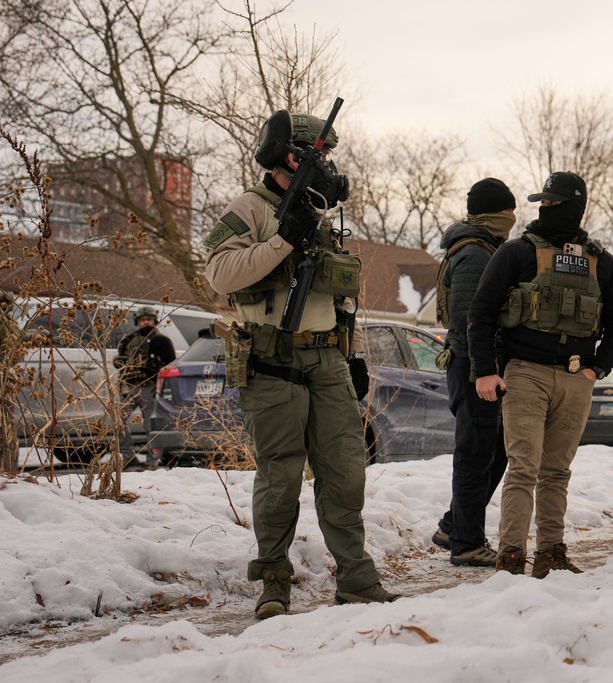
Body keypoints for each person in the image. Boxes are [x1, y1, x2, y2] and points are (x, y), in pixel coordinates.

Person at [205, 112, 399, 619]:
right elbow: (220, 275)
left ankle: (356, 580)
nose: (327, 165)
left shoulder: (320, 214)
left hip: (328, 360)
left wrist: (351, 355)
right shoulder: (251, 207)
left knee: (346, 471)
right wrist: (282, 240)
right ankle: (274, 582)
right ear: (292, 156)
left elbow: (339, 296)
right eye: (320, 154)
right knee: (281, 476)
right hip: (272, 360)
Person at [467, 171, 613, 578]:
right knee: (523, 467)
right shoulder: (517, 252)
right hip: (525, 374)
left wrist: (598, 368)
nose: (546, 208)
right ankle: (511, 557)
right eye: (543, 202)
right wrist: (485, 370)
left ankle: (551, 554)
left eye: (555, 203)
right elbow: (481, 313)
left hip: (576, 378)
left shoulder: (600, 261)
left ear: (575, 206)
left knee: (557, 471)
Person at [431, 178, 514, 567]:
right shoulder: (477, 253)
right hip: (474, 367)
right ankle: (466, 543)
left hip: (476, 365)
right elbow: (470, 317)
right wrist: (485, 369)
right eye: (507, 211)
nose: (512, 218)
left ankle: (453, 526)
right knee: (476, 454)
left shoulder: (479, 247)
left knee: (493, 452)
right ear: (491, 214)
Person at [113, 305, 175, 468]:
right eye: (142, 320)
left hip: (150, 387)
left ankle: (152, 462)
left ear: (154, 321)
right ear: (137, 321)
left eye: (149, 319)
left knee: (150, 425)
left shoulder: (162, 341)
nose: (146, 322)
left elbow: (170, 364)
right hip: (128, 387)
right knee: (117, 420)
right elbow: (120, 360)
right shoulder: (129, 340)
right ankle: (128, 456)